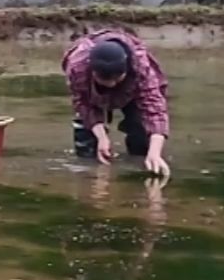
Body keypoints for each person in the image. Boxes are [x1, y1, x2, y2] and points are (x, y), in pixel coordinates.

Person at [62, 28, 172, 178]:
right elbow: (83, 104)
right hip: (91, 92)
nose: (112, 85)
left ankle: (141, 167)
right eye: (106, 80)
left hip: (131, 90)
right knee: (87, 149)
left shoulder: (141, 67)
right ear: (93, 72)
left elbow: (154, 110)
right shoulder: (78, 67)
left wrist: (154, 153)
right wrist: (101, 137)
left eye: (116, 79)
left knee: (141, 135)